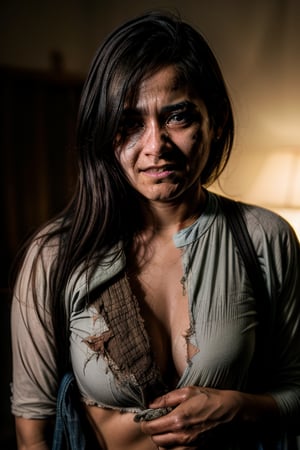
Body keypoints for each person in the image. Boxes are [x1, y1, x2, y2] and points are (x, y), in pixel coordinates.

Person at [10, 10, 300, 450]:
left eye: (178, 117)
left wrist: (238, 406)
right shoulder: (55, 254)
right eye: (129, 124)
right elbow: (33, 432)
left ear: (215, 119)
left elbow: (296, 390)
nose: (155, 146)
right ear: (105, 134)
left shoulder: (264, 238)